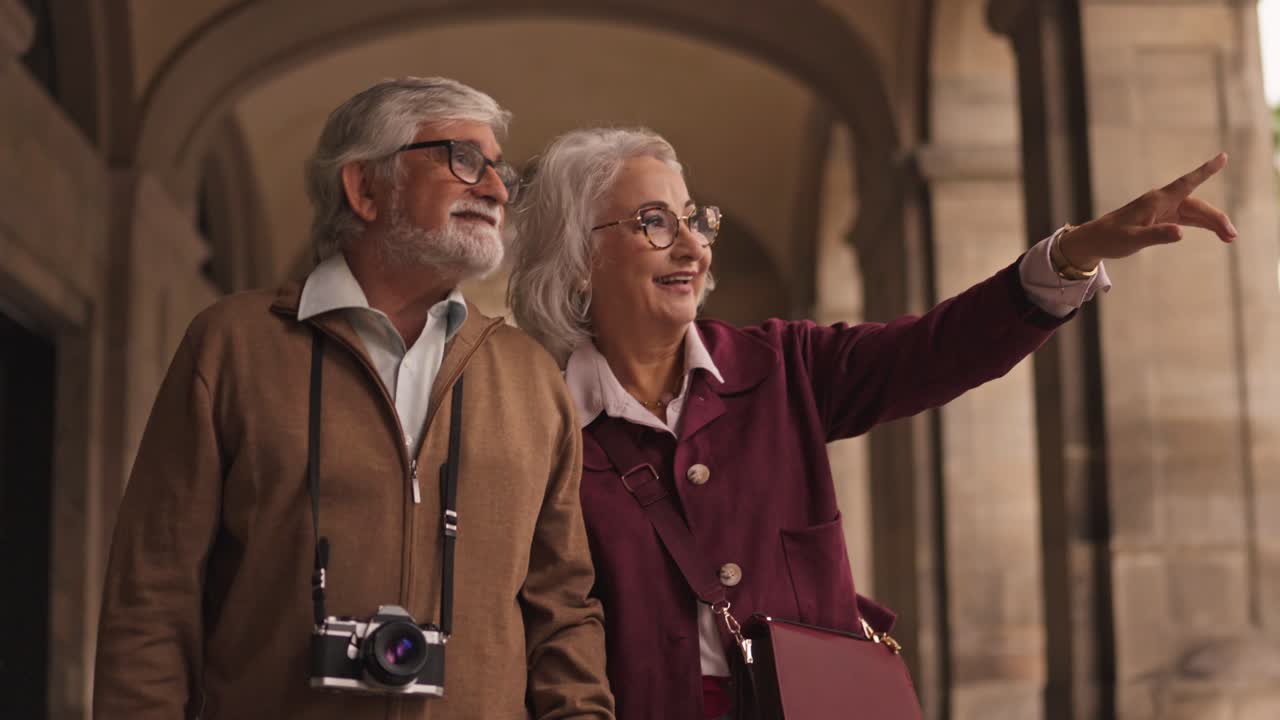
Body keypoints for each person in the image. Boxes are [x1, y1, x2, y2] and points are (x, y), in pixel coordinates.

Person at [506, 127, 1236, 720]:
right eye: (653, 222)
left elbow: (935, 350)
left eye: (695, 220)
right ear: (578, 259)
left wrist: (1074, 252)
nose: (693, 246)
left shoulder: (781, 365)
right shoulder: (536, 418)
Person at [93, 78, 614, 720]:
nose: (498, 190)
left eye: (501, 170)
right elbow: (153, 593)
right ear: (365, 187)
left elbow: (563, 611)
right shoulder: (232, 346)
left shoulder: (531, 378)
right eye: (464, 160)